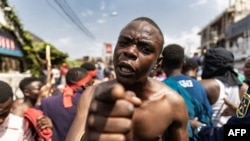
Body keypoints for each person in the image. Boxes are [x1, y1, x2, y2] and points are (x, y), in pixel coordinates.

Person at [66, 17, 189, 141]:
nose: (130, 51)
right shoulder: (92, 95)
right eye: (124, 43)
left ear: (157, 63)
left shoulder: (172, 103)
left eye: (145, 49)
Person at [36, 67, 96, 141]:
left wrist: (40, 97)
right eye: (91, 83)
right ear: (86, 85)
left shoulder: (47, 102)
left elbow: (35, 116)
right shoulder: (93, 102)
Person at [200, 47, 247, 127]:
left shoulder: (205, 85)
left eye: (204, 64)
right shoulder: (245, 88)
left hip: (211, 135)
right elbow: (245, 116)